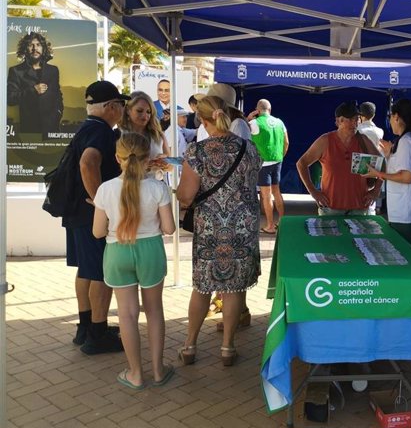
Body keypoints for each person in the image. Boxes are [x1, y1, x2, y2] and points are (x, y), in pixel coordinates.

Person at [176, 95, 262, 366]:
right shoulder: (249, 148)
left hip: (211, 226)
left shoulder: (197, 151)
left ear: (201, 119)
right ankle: (227, 347)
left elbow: (186, 196)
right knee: (234, 287)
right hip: (243, 225)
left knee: (203, 286)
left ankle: (189, 345)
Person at [92, 133, 176, 389]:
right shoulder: (157, 188)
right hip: (150, 250)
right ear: (148, 159)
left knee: (127, 316)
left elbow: (97, 232)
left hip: (117, 251)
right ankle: (159, 370)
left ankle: (136, 374)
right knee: (154, 311)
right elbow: (170, 228)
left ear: (118, 158)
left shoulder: (105, 189)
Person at [63, 80, 129, 355]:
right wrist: (101, 200)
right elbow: (88, 162)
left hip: (77, 211)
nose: (122, 110)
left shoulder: (86, 127)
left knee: (87, 270)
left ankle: (86, 326)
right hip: (91, 215)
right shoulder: (102, 132)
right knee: (102, 272)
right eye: (121, 105)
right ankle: (97, 334)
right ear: (111, 107)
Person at [364, 99, 411, 262]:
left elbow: (406, 176)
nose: (390, 121)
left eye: (390, 117)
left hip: (407, 213)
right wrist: (390, 155)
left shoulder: (407, 142)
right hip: (409, 210)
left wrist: (378, 173)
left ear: (396, 117)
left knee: (409, 259)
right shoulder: (408, 140)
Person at [296, 101, 382, 215]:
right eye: (351, 120)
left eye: (357, 119)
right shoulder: (325, 140)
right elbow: (302, 163)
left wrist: (376, 190)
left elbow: (383, 164)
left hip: (359, 207)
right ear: (339, 121)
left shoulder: (363, 140)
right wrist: (313, 191)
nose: (355, 123)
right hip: (331, 207)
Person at [7, 31, 64, 133]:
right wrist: (33, 90)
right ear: (25, 49)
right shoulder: (16, 71)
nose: (35, 48)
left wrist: (58, 113)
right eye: (30, 45)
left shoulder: (53, 70)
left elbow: (57, 95)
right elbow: (10, 98)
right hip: (29, 129)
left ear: (43, 48)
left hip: (52, 129)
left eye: (38, 45)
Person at [247, 99, 289, 234]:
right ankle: (283, 222)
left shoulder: (254, 123)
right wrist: (281, 155)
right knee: (277, 192)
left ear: (257, 111)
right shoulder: (280, 122)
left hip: (263, 163)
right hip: (277, 160)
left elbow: (243, 135)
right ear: (270, 110)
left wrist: (248, 118)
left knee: (266, 195)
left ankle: (270, 226)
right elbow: (287, 142)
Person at [120, 91, 171, 160]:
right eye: (139, 111)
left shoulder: (158, 135)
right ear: (128, 110)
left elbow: (170, 165)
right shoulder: (119, 135)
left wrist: (165, 162)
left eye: (148, 112)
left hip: (157, 171)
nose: (145, 116)